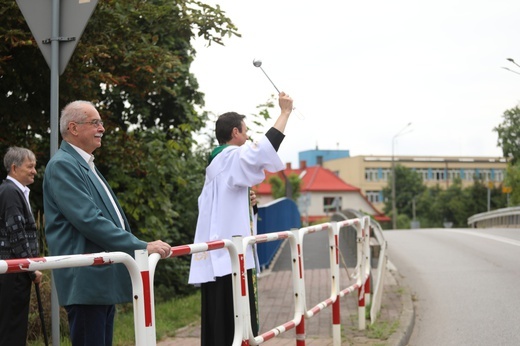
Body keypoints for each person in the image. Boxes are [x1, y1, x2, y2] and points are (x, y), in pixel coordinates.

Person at [43, 100, 172, 346]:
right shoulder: (63, 165)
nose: (102, 128)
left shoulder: (85, 164)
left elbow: (105, 218)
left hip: (98, 280)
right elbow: (89, 220)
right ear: (73, 128)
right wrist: (140, 246)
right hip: (86, 281)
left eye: (101, 122)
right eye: (95, 123)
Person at [188, 91, 293, 345]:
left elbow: (221, 206)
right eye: (245, 132)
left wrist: (250, 206)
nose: (247, 138)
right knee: (234, 323)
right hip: (229, 256)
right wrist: (284, 113)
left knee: (219, 320)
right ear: (235, 132)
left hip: (219, 252)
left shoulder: (218, 163)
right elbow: (260, 152)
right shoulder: (230, 156)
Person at [0, 146, 43, 346]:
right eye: (30, 166)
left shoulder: (13, 191)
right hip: (13, 272)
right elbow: (16, 233)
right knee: (12, 329)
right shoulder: (10, 191)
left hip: (14, 271)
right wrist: (32, 270)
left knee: (13, 327)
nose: (34, 171)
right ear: (15, 168)